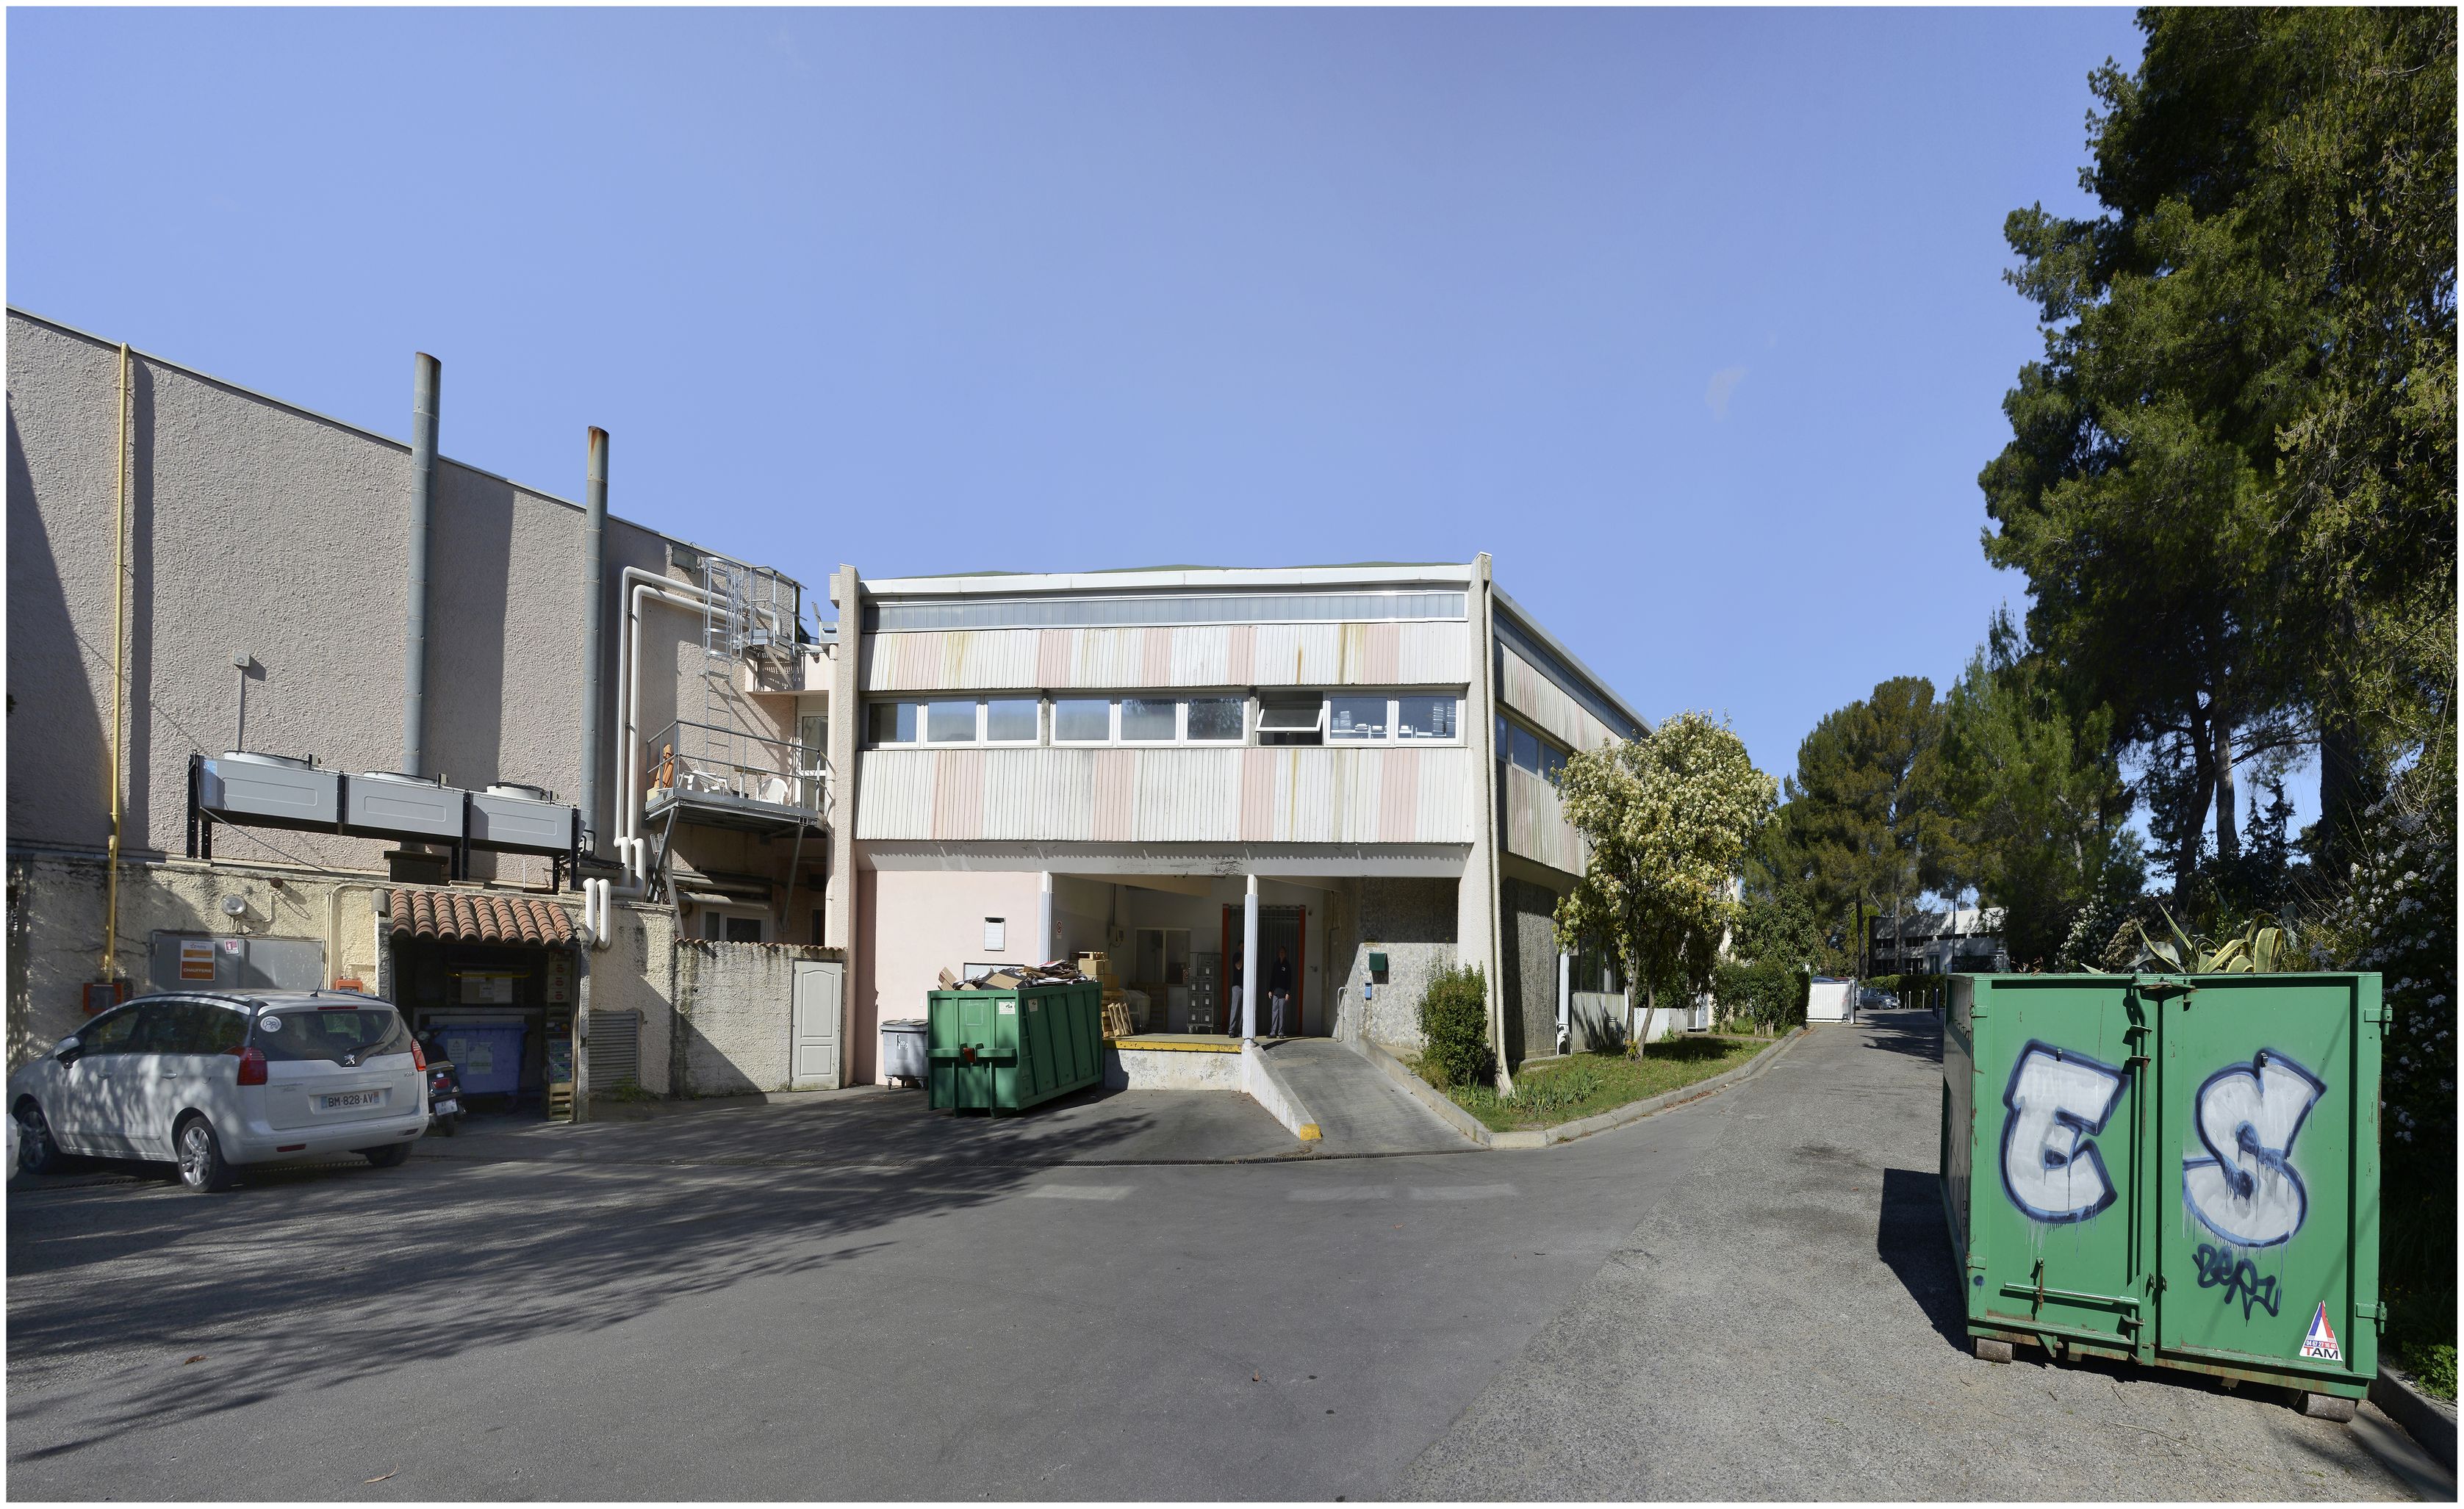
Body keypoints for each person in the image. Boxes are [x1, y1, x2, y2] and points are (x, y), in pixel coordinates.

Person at [1268, 946, 1295, 1038]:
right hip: (1275, 992)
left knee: (1282, 1013)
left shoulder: (1287, 965)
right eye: (1280, 952)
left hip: (1283, 993)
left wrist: (1288, 992)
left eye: (1283, 952)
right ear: (1278, 954)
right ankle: (1273, 1032)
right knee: (1274, 1012)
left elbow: (1289, 980)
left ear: (1285, 954)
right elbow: (1272, 978)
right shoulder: (1276, 964)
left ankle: (1281, 1032)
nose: (1281, 954)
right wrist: (1270, 990)